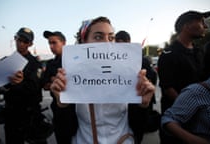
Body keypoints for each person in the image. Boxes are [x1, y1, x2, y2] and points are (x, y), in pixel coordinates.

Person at [50, 16, 155, 144]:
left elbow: (138, 126)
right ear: (84, 43)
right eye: (98, 37)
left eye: (111, 38)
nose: (107, 43)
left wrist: (143, 105)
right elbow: (63, 131)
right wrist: (62, 106)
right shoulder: (69, 79)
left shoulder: (128, 75)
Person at [157, 10, 210, 144]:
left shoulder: (200, 52)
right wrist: (191, 106)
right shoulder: (168, 55)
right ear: (186, 26)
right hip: (177, 125)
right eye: (201, 22)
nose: (205, 26)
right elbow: (168, 88)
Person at [3, 27, 46, 144]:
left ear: (30, 44)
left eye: (25, 41)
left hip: (30, 113)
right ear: (15, 39)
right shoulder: (5, 62)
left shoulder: (35, 64)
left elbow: (35, 87)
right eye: (19, 39)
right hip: (11, 113)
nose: (21, 43)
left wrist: (20, 83)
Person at [115, 30, 158, 144]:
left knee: (137, 130)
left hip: (138, 100)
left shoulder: (140, 59)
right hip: (127, 103)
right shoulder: (113, 60)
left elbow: (150, 79)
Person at [41, 31, 77, 144]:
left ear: (64, 43)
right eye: (49, 43)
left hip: (76, 109)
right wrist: (54, 83)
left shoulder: (76, 60)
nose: (51, 46)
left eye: (54, 43)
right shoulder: (51, 64)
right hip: (59, 109)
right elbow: (44, 85)